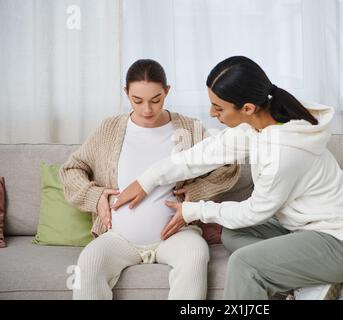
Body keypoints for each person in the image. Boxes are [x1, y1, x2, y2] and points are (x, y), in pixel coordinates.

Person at [113, 56, 343, 300]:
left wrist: (194, 210)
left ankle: (310, 277)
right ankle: (306, 280)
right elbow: (205, 154)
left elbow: (254, 212)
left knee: (244, 263)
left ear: (248, 107)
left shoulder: (282, 153)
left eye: (218, 108)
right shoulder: (260, 124)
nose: (212, 114)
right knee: (232, 232)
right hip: (306, 231)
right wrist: (147, 179)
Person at [60, 59, 240, 300]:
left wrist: (197, 191)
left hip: (176, 234)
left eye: (156, 100)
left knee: (195, 256)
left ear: (167, 91)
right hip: (118, 237)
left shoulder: (188, 128)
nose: (147, 109)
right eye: (137, 100)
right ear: (126, 93)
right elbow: (71, 169)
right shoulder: (109, 129)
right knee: (89, 265)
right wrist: (95, 197)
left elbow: (229, 165)